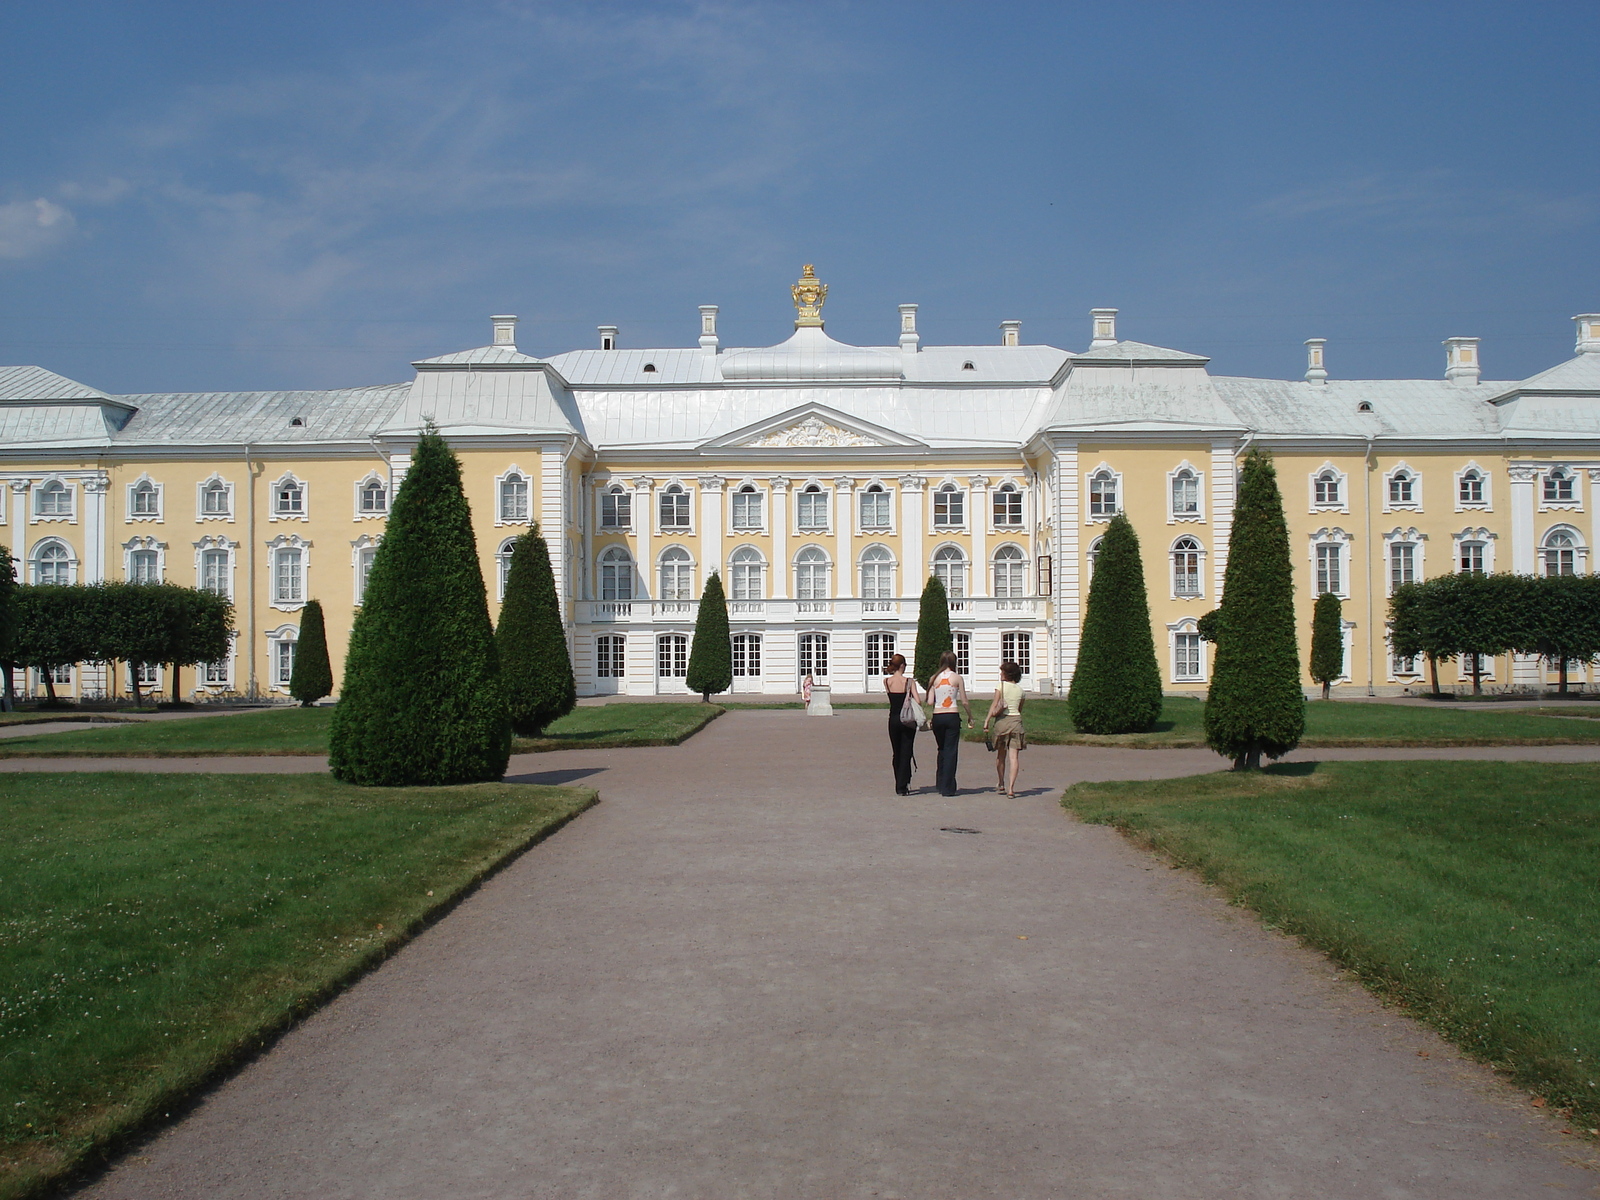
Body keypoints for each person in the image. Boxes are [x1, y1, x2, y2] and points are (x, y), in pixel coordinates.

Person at [927, 650, 972, 796]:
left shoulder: (934, 678)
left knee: (941, 749)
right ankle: (948, 786)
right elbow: (964, 701)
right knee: (951, 751)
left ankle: (940, 783)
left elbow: (929, 701)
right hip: (952, 714)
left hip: (938, 715)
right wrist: (970, 716)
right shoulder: (957, 678)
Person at [983, 660, 1027, 797]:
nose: (1000, 674)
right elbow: (1019, 709)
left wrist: (987, 720)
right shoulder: (1021, 691)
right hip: (1016, 722)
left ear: (1007, 674)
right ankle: (1011, 788)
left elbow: (994, 704)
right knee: (1014, 757)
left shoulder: (1000, 687)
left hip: (1002, 722)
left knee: (1000, 755)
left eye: (1002, 672)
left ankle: (1001, 783)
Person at [883, 652, 921, 795]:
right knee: (907, 751)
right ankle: (903, 784)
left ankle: (898, 783)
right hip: (907, 719)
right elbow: (918, 701)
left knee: (896, 752)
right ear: (903, 665)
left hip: (893, 719)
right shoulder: (909, 682)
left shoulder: (887, 682)